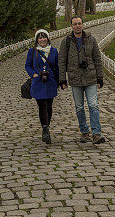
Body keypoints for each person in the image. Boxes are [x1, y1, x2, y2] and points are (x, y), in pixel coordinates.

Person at [58, 16, 106, 144]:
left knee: (93, 105)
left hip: (90, 77)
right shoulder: (66, 42)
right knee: (79, 107)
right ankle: (84, 131)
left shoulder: (91, 39)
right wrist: (62, 79)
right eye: (75, 24)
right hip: (75, 79)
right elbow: (61, 61)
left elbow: (97, 59)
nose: (78, 26)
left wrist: (100, 77)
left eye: (79, 23)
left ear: (83, 25)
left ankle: (96, 133)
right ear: (71, 26)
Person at [25, 29, 59, 144]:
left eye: (44, 37)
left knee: (49, 106)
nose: (42, 40)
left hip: (50, 82)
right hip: (38, 83)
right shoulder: (32, 51)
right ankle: (45, 128)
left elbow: (57, 67)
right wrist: (33, 74)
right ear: (37, 40)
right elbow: (27, 65)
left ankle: (47, 126)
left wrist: (60, 81)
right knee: (42, 105)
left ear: (48, 38)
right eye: (40, 38)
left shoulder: (54, 51)